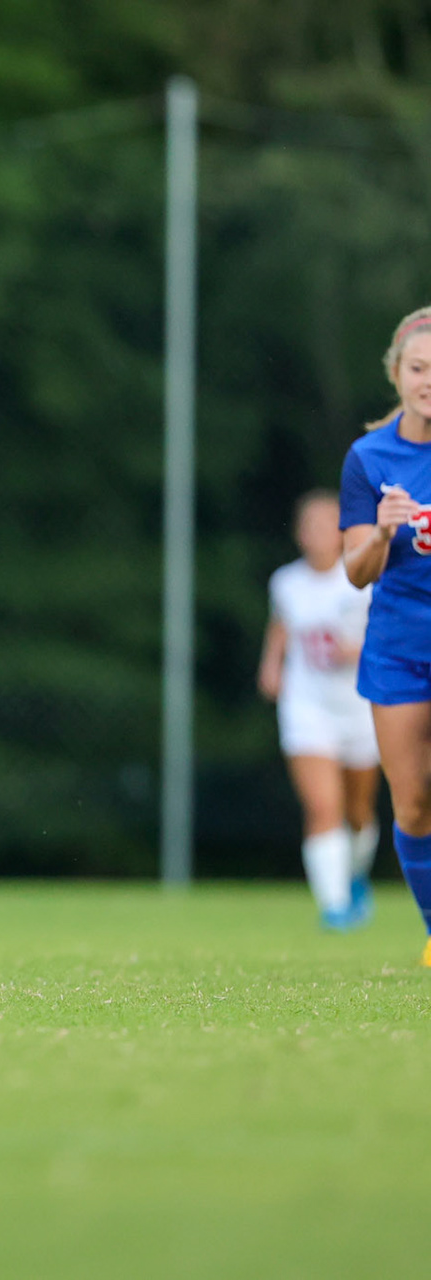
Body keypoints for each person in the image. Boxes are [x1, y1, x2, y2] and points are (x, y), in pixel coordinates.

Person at [341, 304, 431, 965]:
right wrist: (381, 530)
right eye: (418, 368)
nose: (429, 380)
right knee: (415, 801)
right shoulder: (369, 458)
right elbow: (354, 572)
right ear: (396, 375)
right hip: (400, 647)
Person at [257, 490, 380, 929]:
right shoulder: (286, 581)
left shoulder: (363, 578)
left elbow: (394, 639)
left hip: (361, 707)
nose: (318, 534)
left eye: (327, 525)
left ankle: (355, 876)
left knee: (358, 813)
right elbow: (281, 626)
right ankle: (335, 906)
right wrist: (271, 666)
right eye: (309, 526)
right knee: (323, 807)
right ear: (298, 534)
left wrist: (360, 650)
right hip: (307, 707)